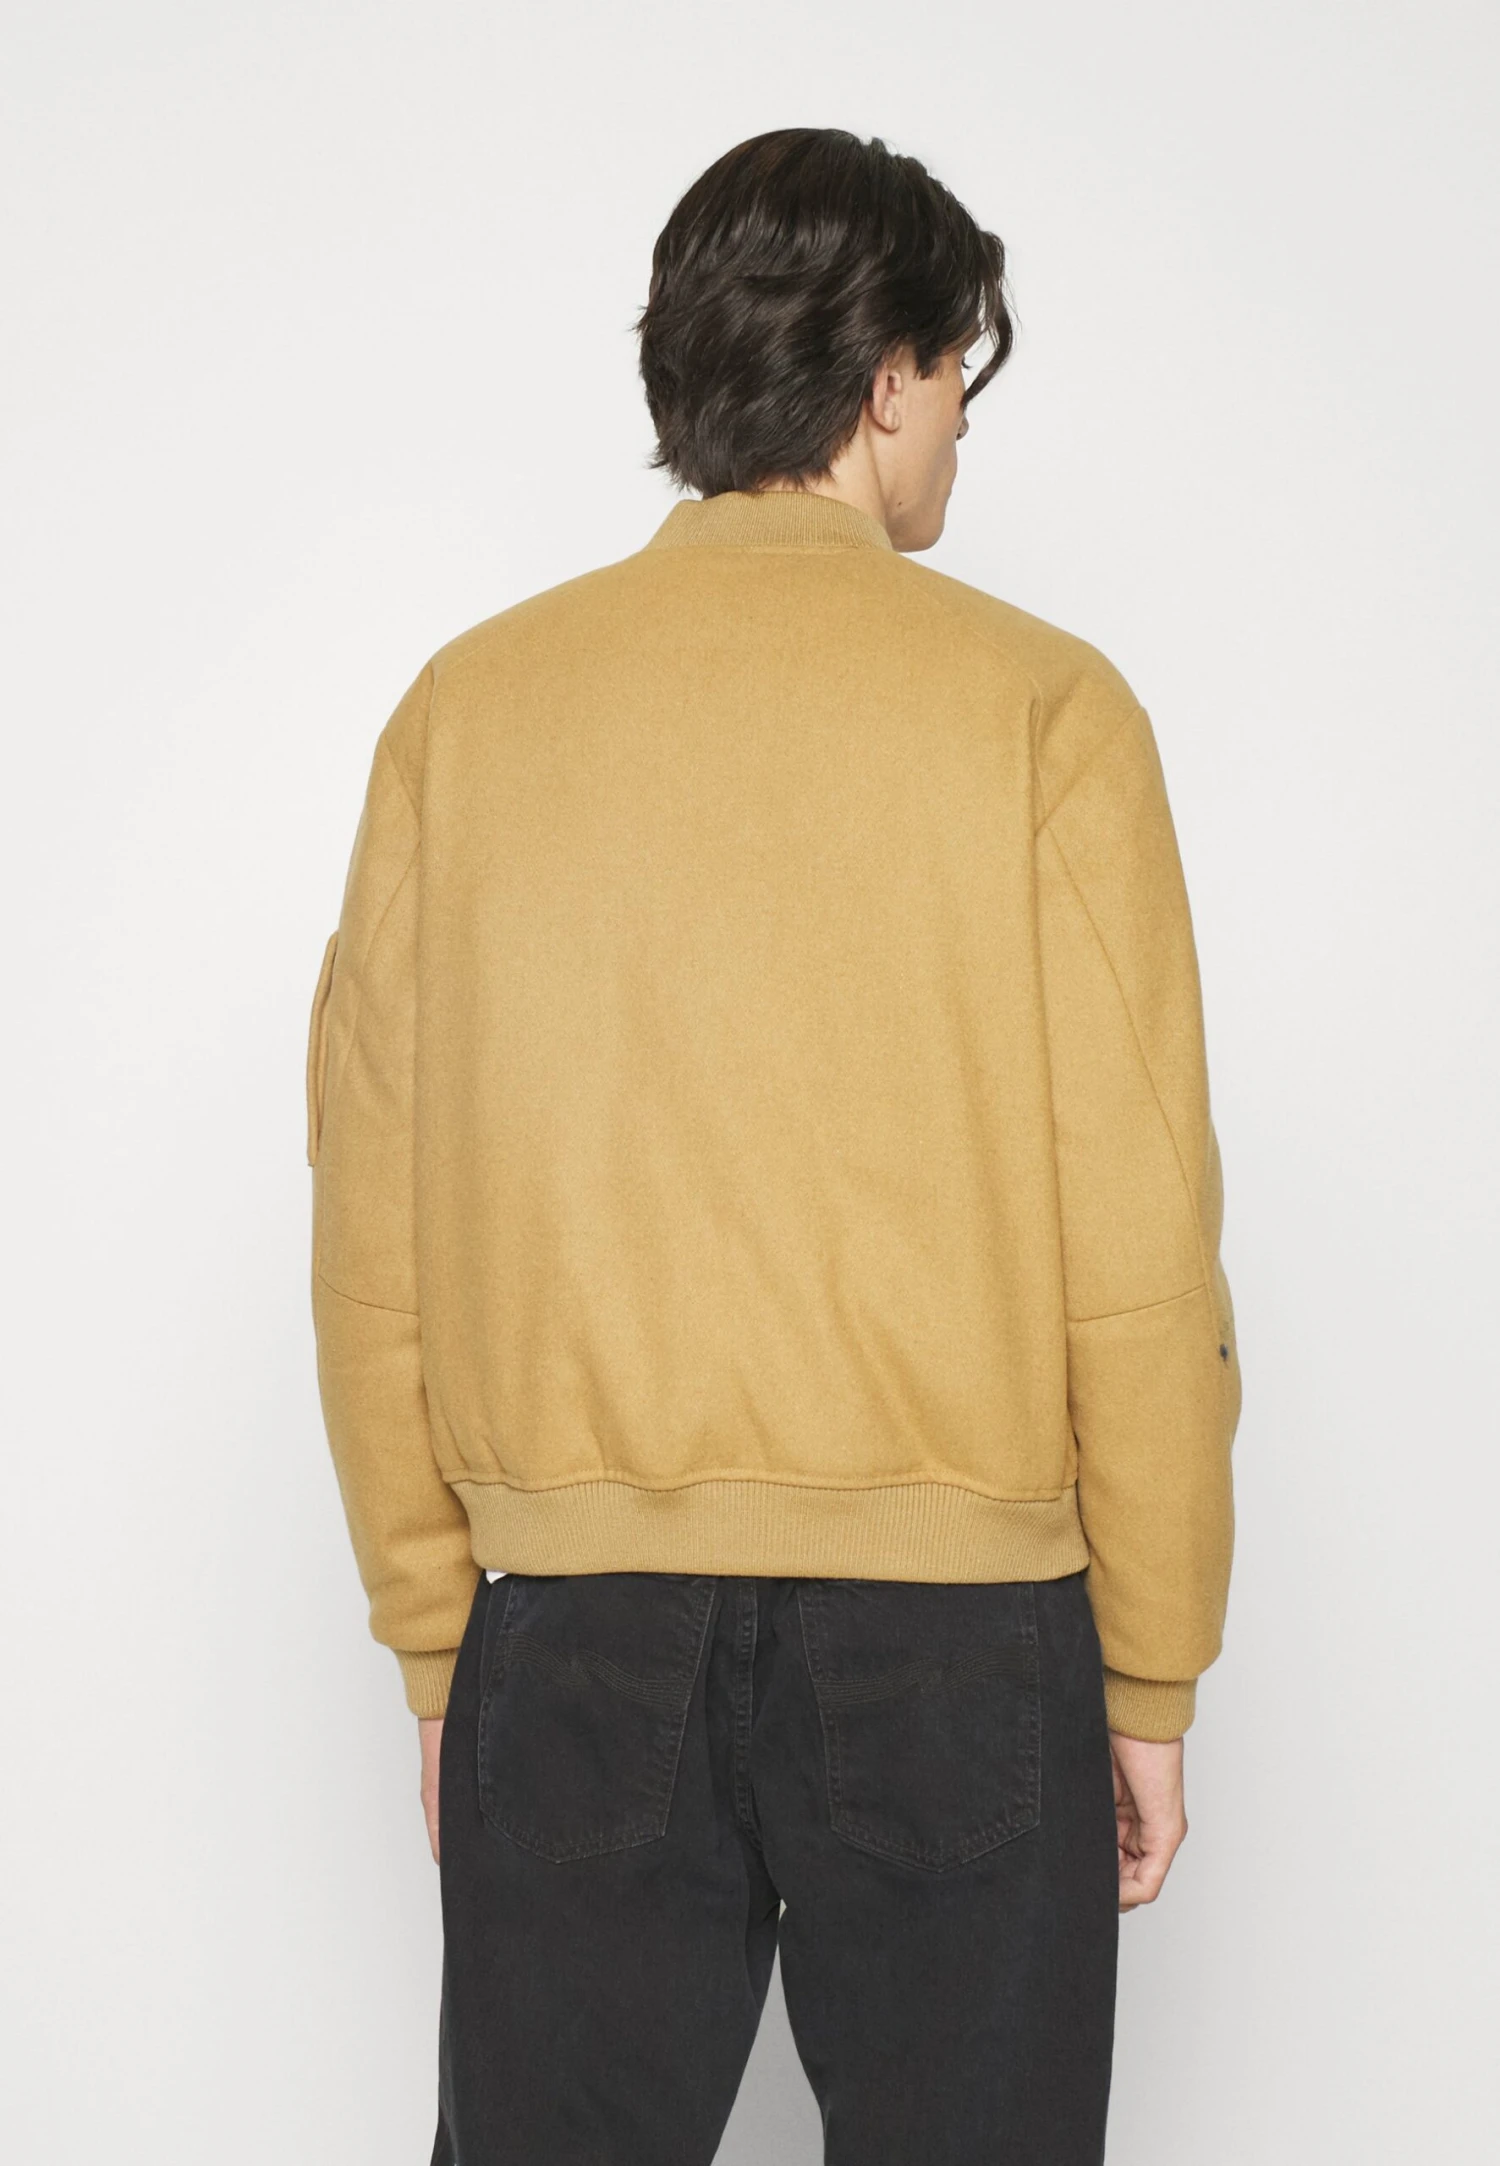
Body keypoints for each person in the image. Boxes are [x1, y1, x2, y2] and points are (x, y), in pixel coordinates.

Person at [305, 125, 1240, 2166]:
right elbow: (1141, 1236)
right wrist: (1152, 1671)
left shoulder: (469, 713)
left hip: (574, 1627)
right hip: (961, 1639)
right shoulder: (1043, 711)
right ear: (887, 379)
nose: (960, 431)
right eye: (956, 377)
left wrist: (439, 1637)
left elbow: (370, 1223)